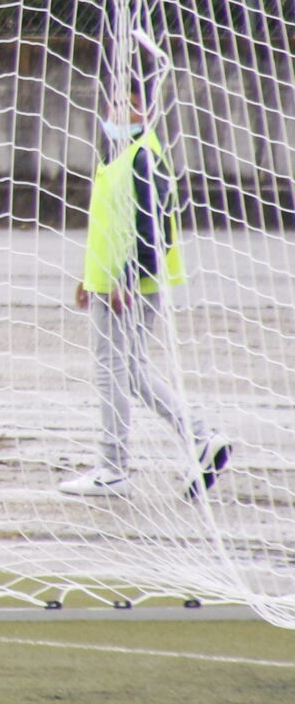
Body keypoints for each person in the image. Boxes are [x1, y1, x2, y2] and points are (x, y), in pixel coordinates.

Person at [61, 95, 230, 499]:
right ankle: (201, 437)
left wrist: (127, 279)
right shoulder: (118, 155)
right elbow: (110, 223)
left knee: (112, 369)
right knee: (132, 370)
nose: (114, 112)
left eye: (127, 104)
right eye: (111, 103)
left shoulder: (143, 158)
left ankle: (113, 466)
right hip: (110, 283)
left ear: (147, 113)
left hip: (128, 288)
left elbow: (154, 232)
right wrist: (89, 277)